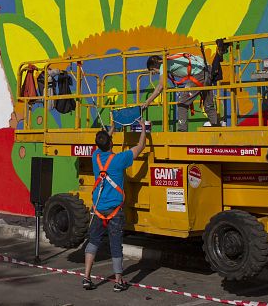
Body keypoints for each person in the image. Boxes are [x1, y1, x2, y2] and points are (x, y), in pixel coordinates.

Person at [82, 120, 147, 292]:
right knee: (116, 244)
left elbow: (103, 143)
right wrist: (143, 129)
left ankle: (86, 278)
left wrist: (110, 131)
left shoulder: (95, 157)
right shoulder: (119, 159)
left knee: (93, 241)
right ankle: (118, 282)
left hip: (98, 209)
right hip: (115, 211)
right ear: (111, 143)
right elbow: (140, 147)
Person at [141, 53, 219, 131]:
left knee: (182, 103)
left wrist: (148, 101)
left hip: (199, 74)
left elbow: (160, 86)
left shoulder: (163, 65)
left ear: (153, 66)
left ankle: (182, 131)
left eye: (153, 70)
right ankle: (216, 126)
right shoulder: (171, 58)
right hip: (208, 70)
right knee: (208, 104)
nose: (155, 73)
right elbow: (199, 57)